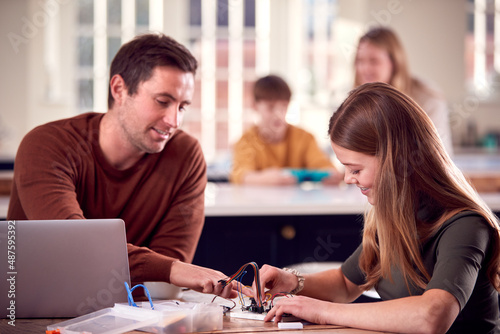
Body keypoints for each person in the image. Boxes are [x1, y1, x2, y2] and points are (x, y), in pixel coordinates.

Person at [254, 83, 500, 333]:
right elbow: (345, 284)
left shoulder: (466, 225)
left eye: (356, 169)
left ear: (396, 159)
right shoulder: (394, 217)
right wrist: (292, 281)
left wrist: (321, 311)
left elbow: (432, 317)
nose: (348, 179)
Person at [7, 33, 236, 298]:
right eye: (162, 101)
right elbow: (71, 245)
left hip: (134, 313)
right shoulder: (47, 144)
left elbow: (163, 282)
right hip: (35, 310)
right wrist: (168, 268)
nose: (174, 120)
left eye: (182, 107)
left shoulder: (186, 156)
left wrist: (167, 269)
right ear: (119, 89)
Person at [354, 26, 454, 155]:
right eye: (360, 61)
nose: (364, 69)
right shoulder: (357, 104)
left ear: (394, 63)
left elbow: (438, 156)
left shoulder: (428, 98)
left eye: (374, 61)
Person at [230, 74, 343, 185]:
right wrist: (263, 179)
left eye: (284, 106)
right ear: (254, 106)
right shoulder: (246, 142)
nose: (278, 114)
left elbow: (325, 167)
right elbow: (240, 175)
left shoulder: (304, 138)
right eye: (271, 107)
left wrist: (331, 175)